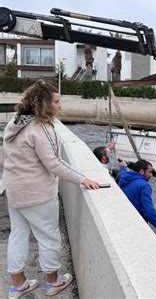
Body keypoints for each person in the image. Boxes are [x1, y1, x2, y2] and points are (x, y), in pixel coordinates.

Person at [3, 80, 100, 298]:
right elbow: (54, 163)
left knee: (18, 235)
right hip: (37, 193)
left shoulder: (16, 121)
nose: (60, 106)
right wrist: (82, 178)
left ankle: (17, 286)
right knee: (48, 237)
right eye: (56, 102)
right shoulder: (41, 128)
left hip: (13, 190)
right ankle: (53, 282)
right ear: (43, 104)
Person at [119, 159, 156, 240]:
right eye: (150, 172)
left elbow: (123, 173)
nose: (151, 175)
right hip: (136, 224)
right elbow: (148, 209)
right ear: (141, 172)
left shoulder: (125, 177)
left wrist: (123, 167)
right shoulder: (144, 185)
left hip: (123, 219)